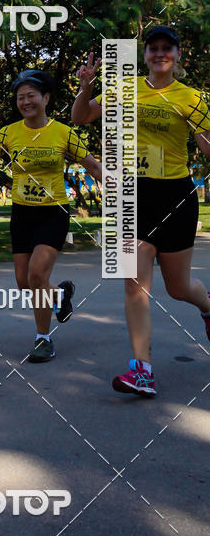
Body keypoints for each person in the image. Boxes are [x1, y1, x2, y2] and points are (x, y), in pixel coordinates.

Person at [71, 26, 210, 396]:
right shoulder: (124, 88)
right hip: (133, 197)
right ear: (144, 54)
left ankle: (208, 308)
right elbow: (81, 117)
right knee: (134, 285)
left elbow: (207, 146)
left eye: (168, 48)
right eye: (153, 48)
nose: (160, 53)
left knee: (179, 287)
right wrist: (86, 86)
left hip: (176, 195)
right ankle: (142, 370)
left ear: (178, 56)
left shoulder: (191, 98)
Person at [0, 69, 102, 362]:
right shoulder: (9, 132)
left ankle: (43, 338)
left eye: (31, 95)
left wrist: (114, 182)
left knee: (37, 274)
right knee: (23, 281)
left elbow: (92, 165)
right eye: (20, 97)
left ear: (46, 98)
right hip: (22, 214)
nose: (25, 101)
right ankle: (59, 296)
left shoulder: (63, 132)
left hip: (53, 212)